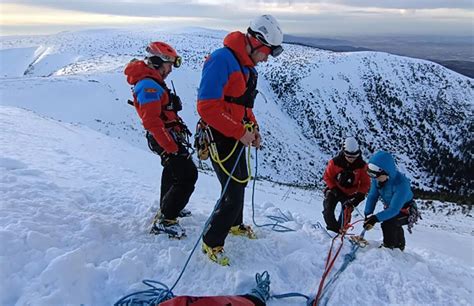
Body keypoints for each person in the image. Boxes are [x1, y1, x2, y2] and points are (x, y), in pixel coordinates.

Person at [196, 15, 284, 265]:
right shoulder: (221, 60)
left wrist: (252, 128)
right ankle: (212, 241)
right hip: (220, 134)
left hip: (236, 133)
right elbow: (207, 107)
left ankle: (234, 224)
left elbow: (242, 105)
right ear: (255, 41)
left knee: (240, 182)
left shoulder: (246, 66)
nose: (266, 58)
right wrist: (239, 132)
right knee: (232, 191)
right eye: (266, 51)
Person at [124, 41, 198, 239]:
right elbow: (152, 122)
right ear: (158, 62)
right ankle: (166, 219)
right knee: (188, 175)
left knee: (173, 171)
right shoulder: (149, 85)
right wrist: (171, 146)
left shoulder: (151, 81)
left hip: (166, 135)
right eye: (169, 65)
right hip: (164, 137)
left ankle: (169, 206)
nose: (170, 70)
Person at [363, 151, 420, 251]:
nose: (374, 178)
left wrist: (375, 218)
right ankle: (399, 246)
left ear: (386, 172)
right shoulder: (378, 179)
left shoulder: (401, 184)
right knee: (393, 223)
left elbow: (394, 209)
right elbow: (372, 196)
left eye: (377, 176)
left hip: (407, 211)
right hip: (393, 208)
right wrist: (368, 214)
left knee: (388, 223)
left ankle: (389, 248)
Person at [322, 136, 371, 233]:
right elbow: (328, 177)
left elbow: (365, 183)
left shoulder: (362, 166)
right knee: (328, 210)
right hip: (335, 190)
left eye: (354, 156)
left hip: (351, 193)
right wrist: (334, 189)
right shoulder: (335, 163)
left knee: (346, 214)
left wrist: (360, 195)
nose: (351, 159)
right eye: (349, 156)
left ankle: (341, 231)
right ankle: (332, 230)